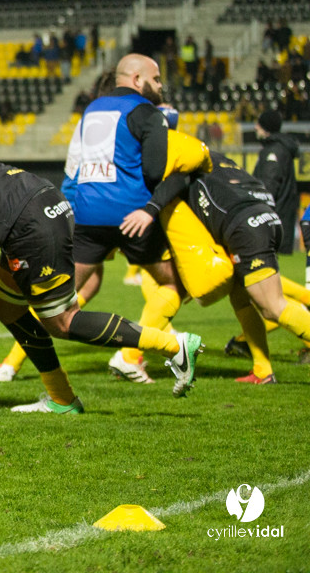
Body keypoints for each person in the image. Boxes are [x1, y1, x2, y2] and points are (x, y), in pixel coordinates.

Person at [0, 127, 203, 412]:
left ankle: (175, 346)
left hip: (29, 221)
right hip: (26, 214)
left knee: (63, 321)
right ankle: (62, 398)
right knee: (6, 307)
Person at [67, 54, 204, 392]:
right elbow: (156, 170)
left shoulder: (92, 109)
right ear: (138, 79)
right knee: (177, 284)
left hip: (88, 215)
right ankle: (152, 348)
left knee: (61, 296)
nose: (160, 86)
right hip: (133, 215)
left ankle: (32, 369)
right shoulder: (147, 112)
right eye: (156, 80)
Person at [143, 151, 310, 384]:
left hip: (245, 227)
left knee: (273, 307)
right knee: (240, 299)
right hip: (263, 219)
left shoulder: (183, 172)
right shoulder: (220, 161)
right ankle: (263, 371)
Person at [253, 110, 298, 254]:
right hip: (279, 219)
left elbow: (268, 188)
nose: (255, 127)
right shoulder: (279, 148)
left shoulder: (274, 152)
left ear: (266, 127)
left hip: (273, 223)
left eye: (259, 124)